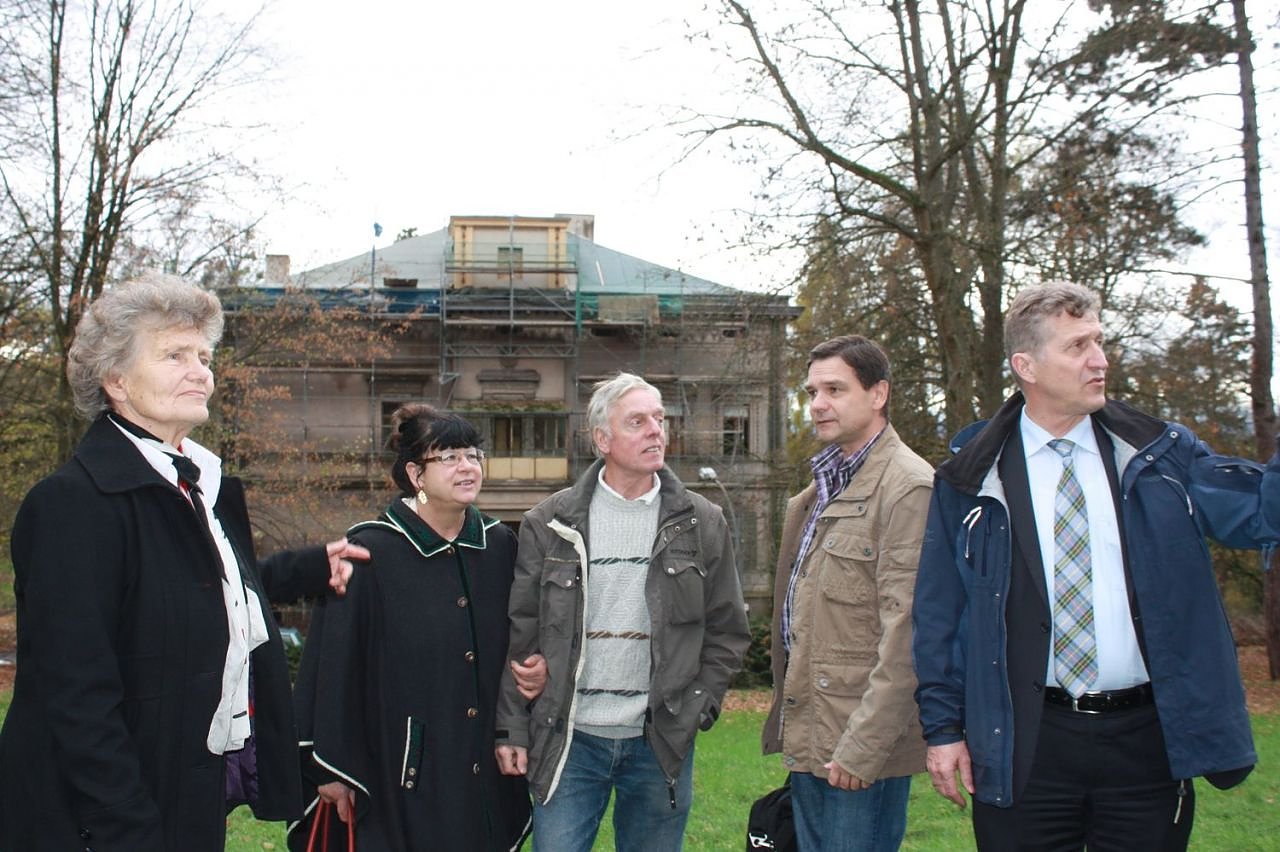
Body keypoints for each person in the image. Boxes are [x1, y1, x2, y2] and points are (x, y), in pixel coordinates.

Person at [0, 274, 369, 851]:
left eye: (204, 356)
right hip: (100, 820)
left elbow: (195, 593)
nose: (200, 372)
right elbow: (74, 694)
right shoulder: (72, 504)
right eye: (174, 355)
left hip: (187, 796)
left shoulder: (199, 487)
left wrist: (305, 570)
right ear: (116, 380)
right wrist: (128, 827)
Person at [912, 282, 1280, 851]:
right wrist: (942, 729)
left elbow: (1259, 515)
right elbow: (939, 614)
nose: (1100, 360)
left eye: (1099, 341)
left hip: (1146, 744)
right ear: (1026, 366)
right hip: (1024, 745)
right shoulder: (970, 478)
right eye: (1078, 346)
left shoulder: (1161, 456)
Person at [494, 372, 750, 852]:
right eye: (637, 422)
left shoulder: (702, 522)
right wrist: (511, 725)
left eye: (659, 418)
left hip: (660, 740)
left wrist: (699, 705)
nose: (656, 430)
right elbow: (521, 633)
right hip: (570, 739)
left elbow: (728, 630)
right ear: (602, 440)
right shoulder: (548, 523)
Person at [287, 404, 533, 851]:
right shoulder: (368, 551)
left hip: (481, 763)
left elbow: (520, 641)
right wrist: (330, 768)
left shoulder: (499, 545)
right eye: (450, 457)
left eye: (473, 455)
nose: (467, 466)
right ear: (416, 475)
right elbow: (333, 667)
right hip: (398, 771)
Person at [762, 335, 933, 851]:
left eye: (834, 390)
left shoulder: (908, 487)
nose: (817, 404)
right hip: (815, 734)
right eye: (812, 392)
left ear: (878, 394)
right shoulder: (818, 492)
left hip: (860, 750)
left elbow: (909, 633)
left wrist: (865, 745)